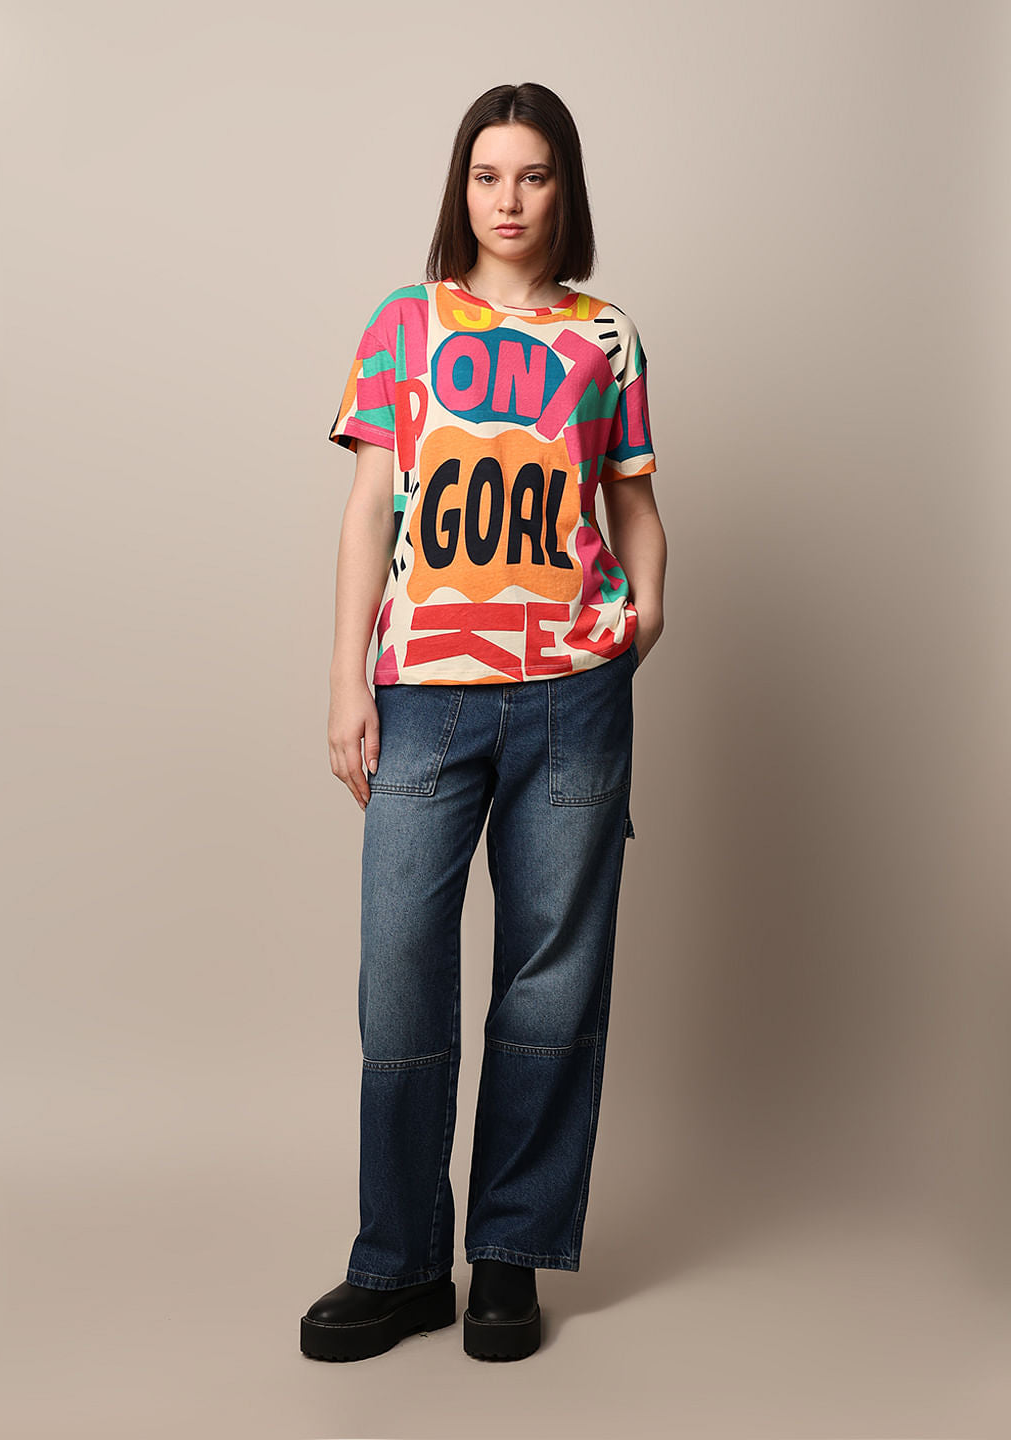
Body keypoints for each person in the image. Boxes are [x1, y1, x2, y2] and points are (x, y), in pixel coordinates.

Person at [300, 81, 667, 1363]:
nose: (508, 200)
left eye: (534, 175)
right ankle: (402, 1265)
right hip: (426, 697)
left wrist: (641, 620)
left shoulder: (605, 336)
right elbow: (370, 509)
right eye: (487, 175)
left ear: (566, 189)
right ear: (461, 188)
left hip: (574, 693)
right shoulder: (403, 324)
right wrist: (347, 679)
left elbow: (632, 502)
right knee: (401, 971)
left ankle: (508, 1256)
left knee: (550, 979)